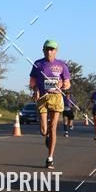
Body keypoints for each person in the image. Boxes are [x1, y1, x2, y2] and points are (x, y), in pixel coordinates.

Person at [29, 40, 71, 168]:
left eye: (52, 49)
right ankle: (46, 134)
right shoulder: (38, 64)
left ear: (56, 51)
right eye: (47, 49)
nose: (49, 51)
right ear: (43, 50)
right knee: (43, 131)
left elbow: (68, 83)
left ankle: (50, 158)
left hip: (56, 98)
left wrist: (62, 84)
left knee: (53, 127)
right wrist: (35, 89)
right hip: (42, 98)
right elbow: (32, 82)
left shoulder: (62, 65)